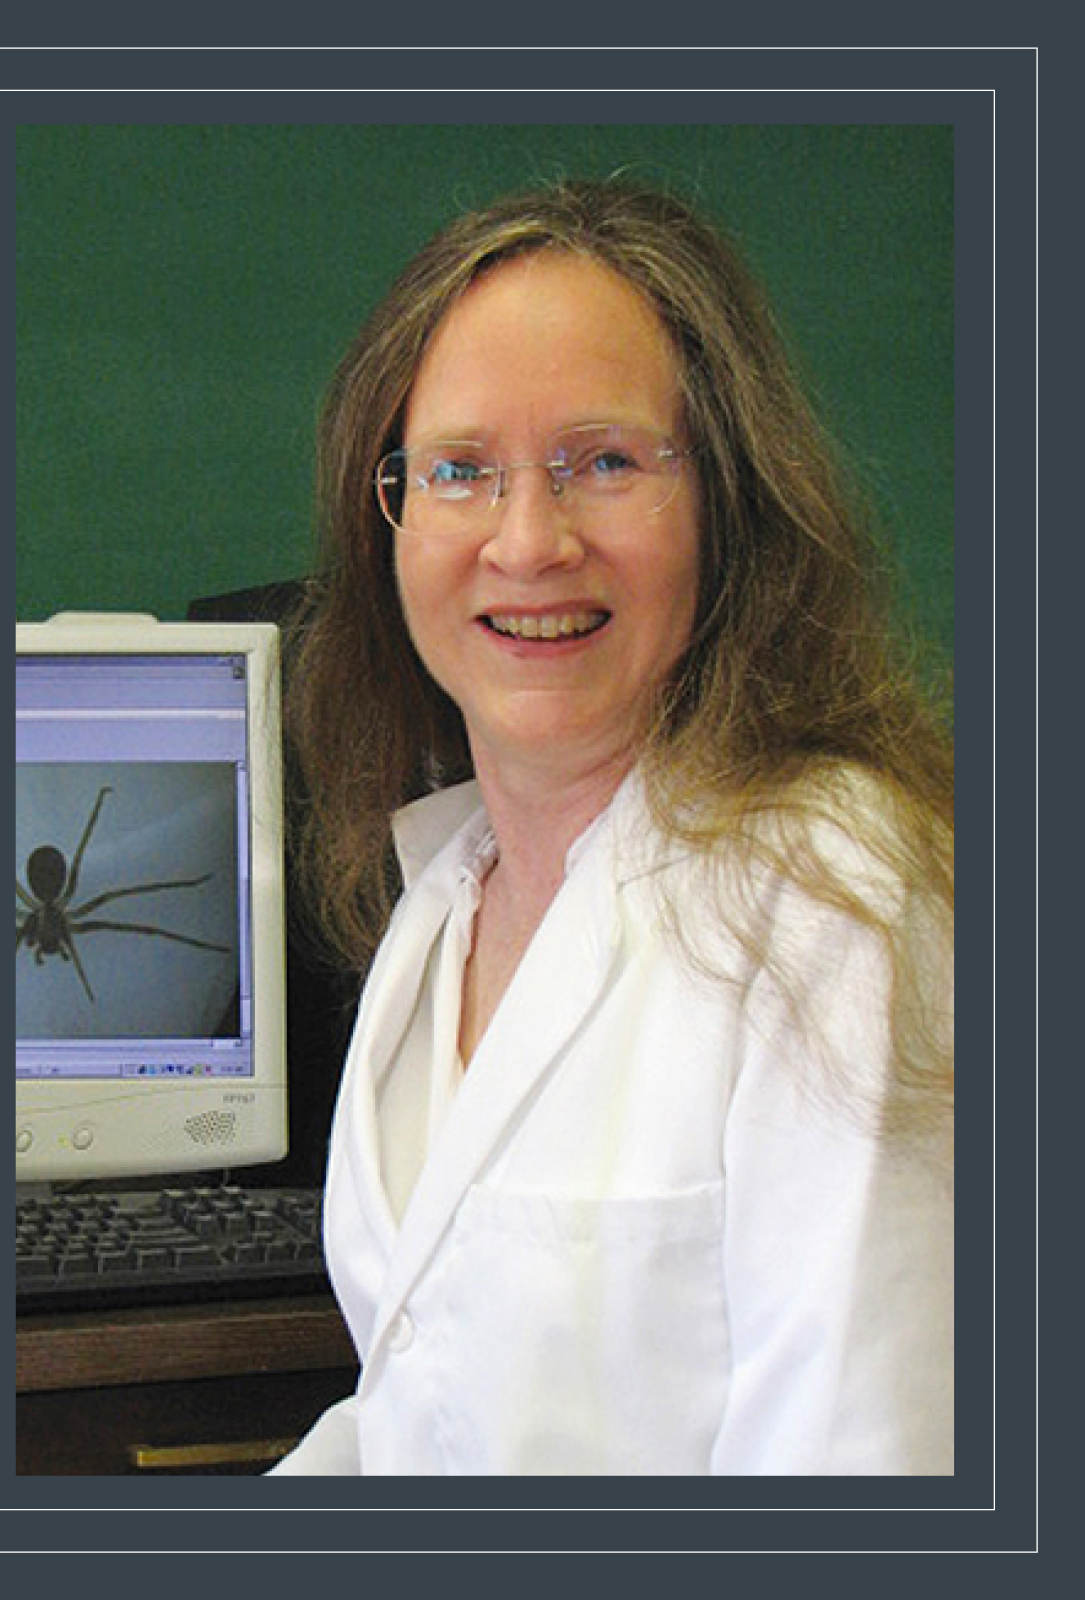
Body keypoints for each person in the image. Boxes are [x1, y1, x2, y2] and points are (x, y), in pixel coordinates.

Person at [267, 178, 954, 1476]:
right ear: (390, 519)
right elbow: (425, 1405)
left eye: (606, 462)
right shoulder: (445, 905)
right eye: (461, 471)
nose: (529, 542)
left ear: (726, 506)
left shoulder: (835, 904)